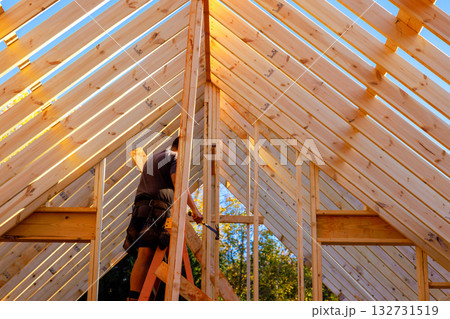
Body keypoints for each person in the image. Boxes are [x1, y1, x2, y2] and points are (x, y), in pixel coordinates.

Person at [123, 137, 203, 301]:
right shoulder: (175, 157)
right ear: (182, 147)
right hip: (155, 209)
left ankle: (133, 297)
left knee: (144, 255)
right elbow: (178, 183)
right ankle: (136, 299)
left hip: (141, 208)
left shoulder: (154, 158)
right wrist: (194, 210)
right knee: (147, 254)